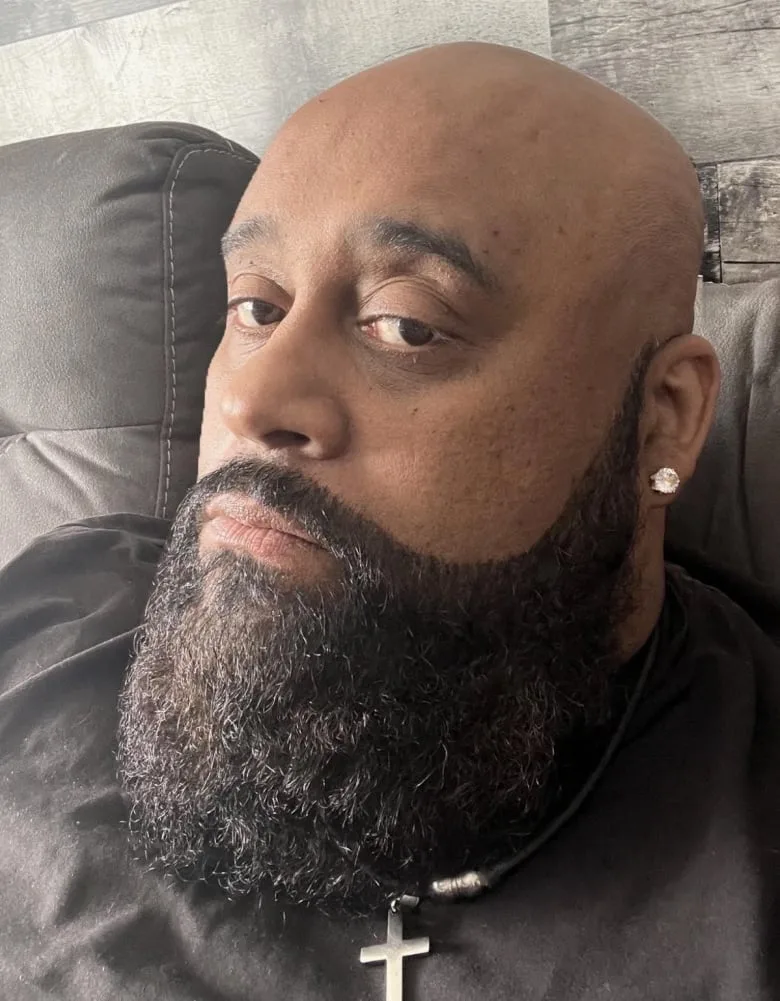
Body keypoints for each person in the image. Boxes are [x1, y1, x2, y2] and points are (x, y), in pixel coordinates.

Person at [1, 40, 779, 1001]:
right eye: (255, 306)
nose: (254, 402)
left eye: (408, 325)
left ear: (663, 417)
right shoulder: (51, 618)